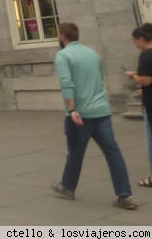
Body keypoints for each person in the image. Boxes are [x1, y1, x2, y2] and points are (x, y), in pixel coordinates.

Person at [51, 22, 137, 209]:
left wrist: (72, 109)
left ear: (62, 36)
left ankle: (67, 187)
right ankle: (125, 195)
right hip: (101, 111)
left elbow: (67, 83)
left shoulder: (63, 55)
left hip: (80, 113)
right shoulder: (93, 54)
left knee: (75, 152)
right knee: (113, 153)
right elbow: (98, 81)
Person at [126, 23, 152, 188]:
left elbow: (146, 80)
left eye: (135, 42)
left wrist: (132, 76)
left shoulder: (146, 55)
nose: (135, 45)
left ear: (142, 39)